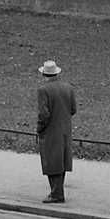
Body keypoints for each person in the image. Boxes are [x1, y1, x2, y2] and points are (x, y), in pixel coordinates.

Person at [35, 59, 77, 205]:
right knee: (61, 161)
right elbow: (73, 109)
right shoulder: (68, 88)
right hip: (65, 130)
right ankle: (58, 192)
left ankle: (56, 194)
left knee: (51, 161)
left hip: (50, 131)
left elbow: (43, 114)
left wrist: (40, 128)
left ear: (44, 74)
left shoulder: (43, 90)